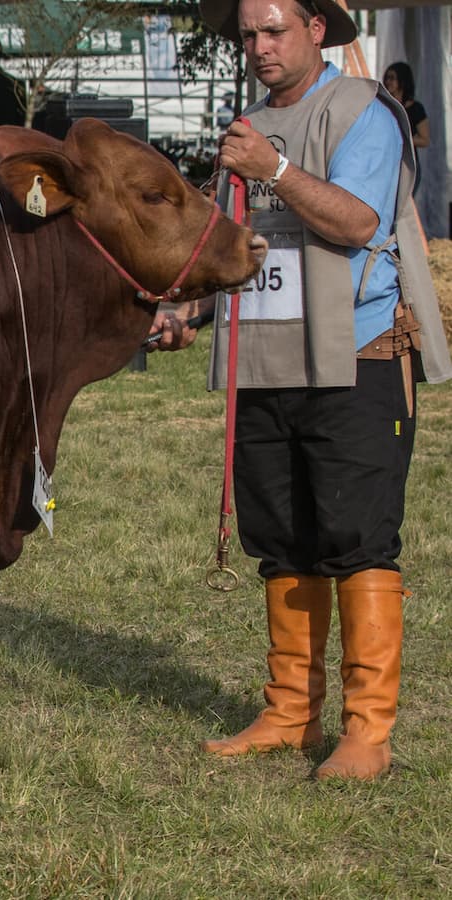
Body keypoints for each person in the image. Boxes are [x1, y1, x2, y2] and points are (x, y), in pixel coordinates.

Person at [154, 0, 452, 782]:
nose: (259, 46)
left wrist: (275, 170)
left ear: (317, 29)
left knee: (358, 540)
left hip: (359, 357)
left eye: (275, 29)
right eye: (248, 34)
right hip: (265, 360)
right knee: (282, 540)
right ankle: (290, 713)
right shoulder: (246, 127)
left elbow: (358, 223)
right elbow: (239, 251)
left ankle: (367, 733)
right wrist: (191, 307)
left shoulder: (365, 112)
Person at [382, 63, 430, 191]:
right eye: (387, 77)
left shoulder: (416, 109)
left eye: (392, 78)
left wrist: (401, 138)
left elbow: (425, 140)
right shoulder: (382, 105)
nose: (388, 82)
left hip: (407, 166)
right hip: (385, 164)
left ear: (402, 81)